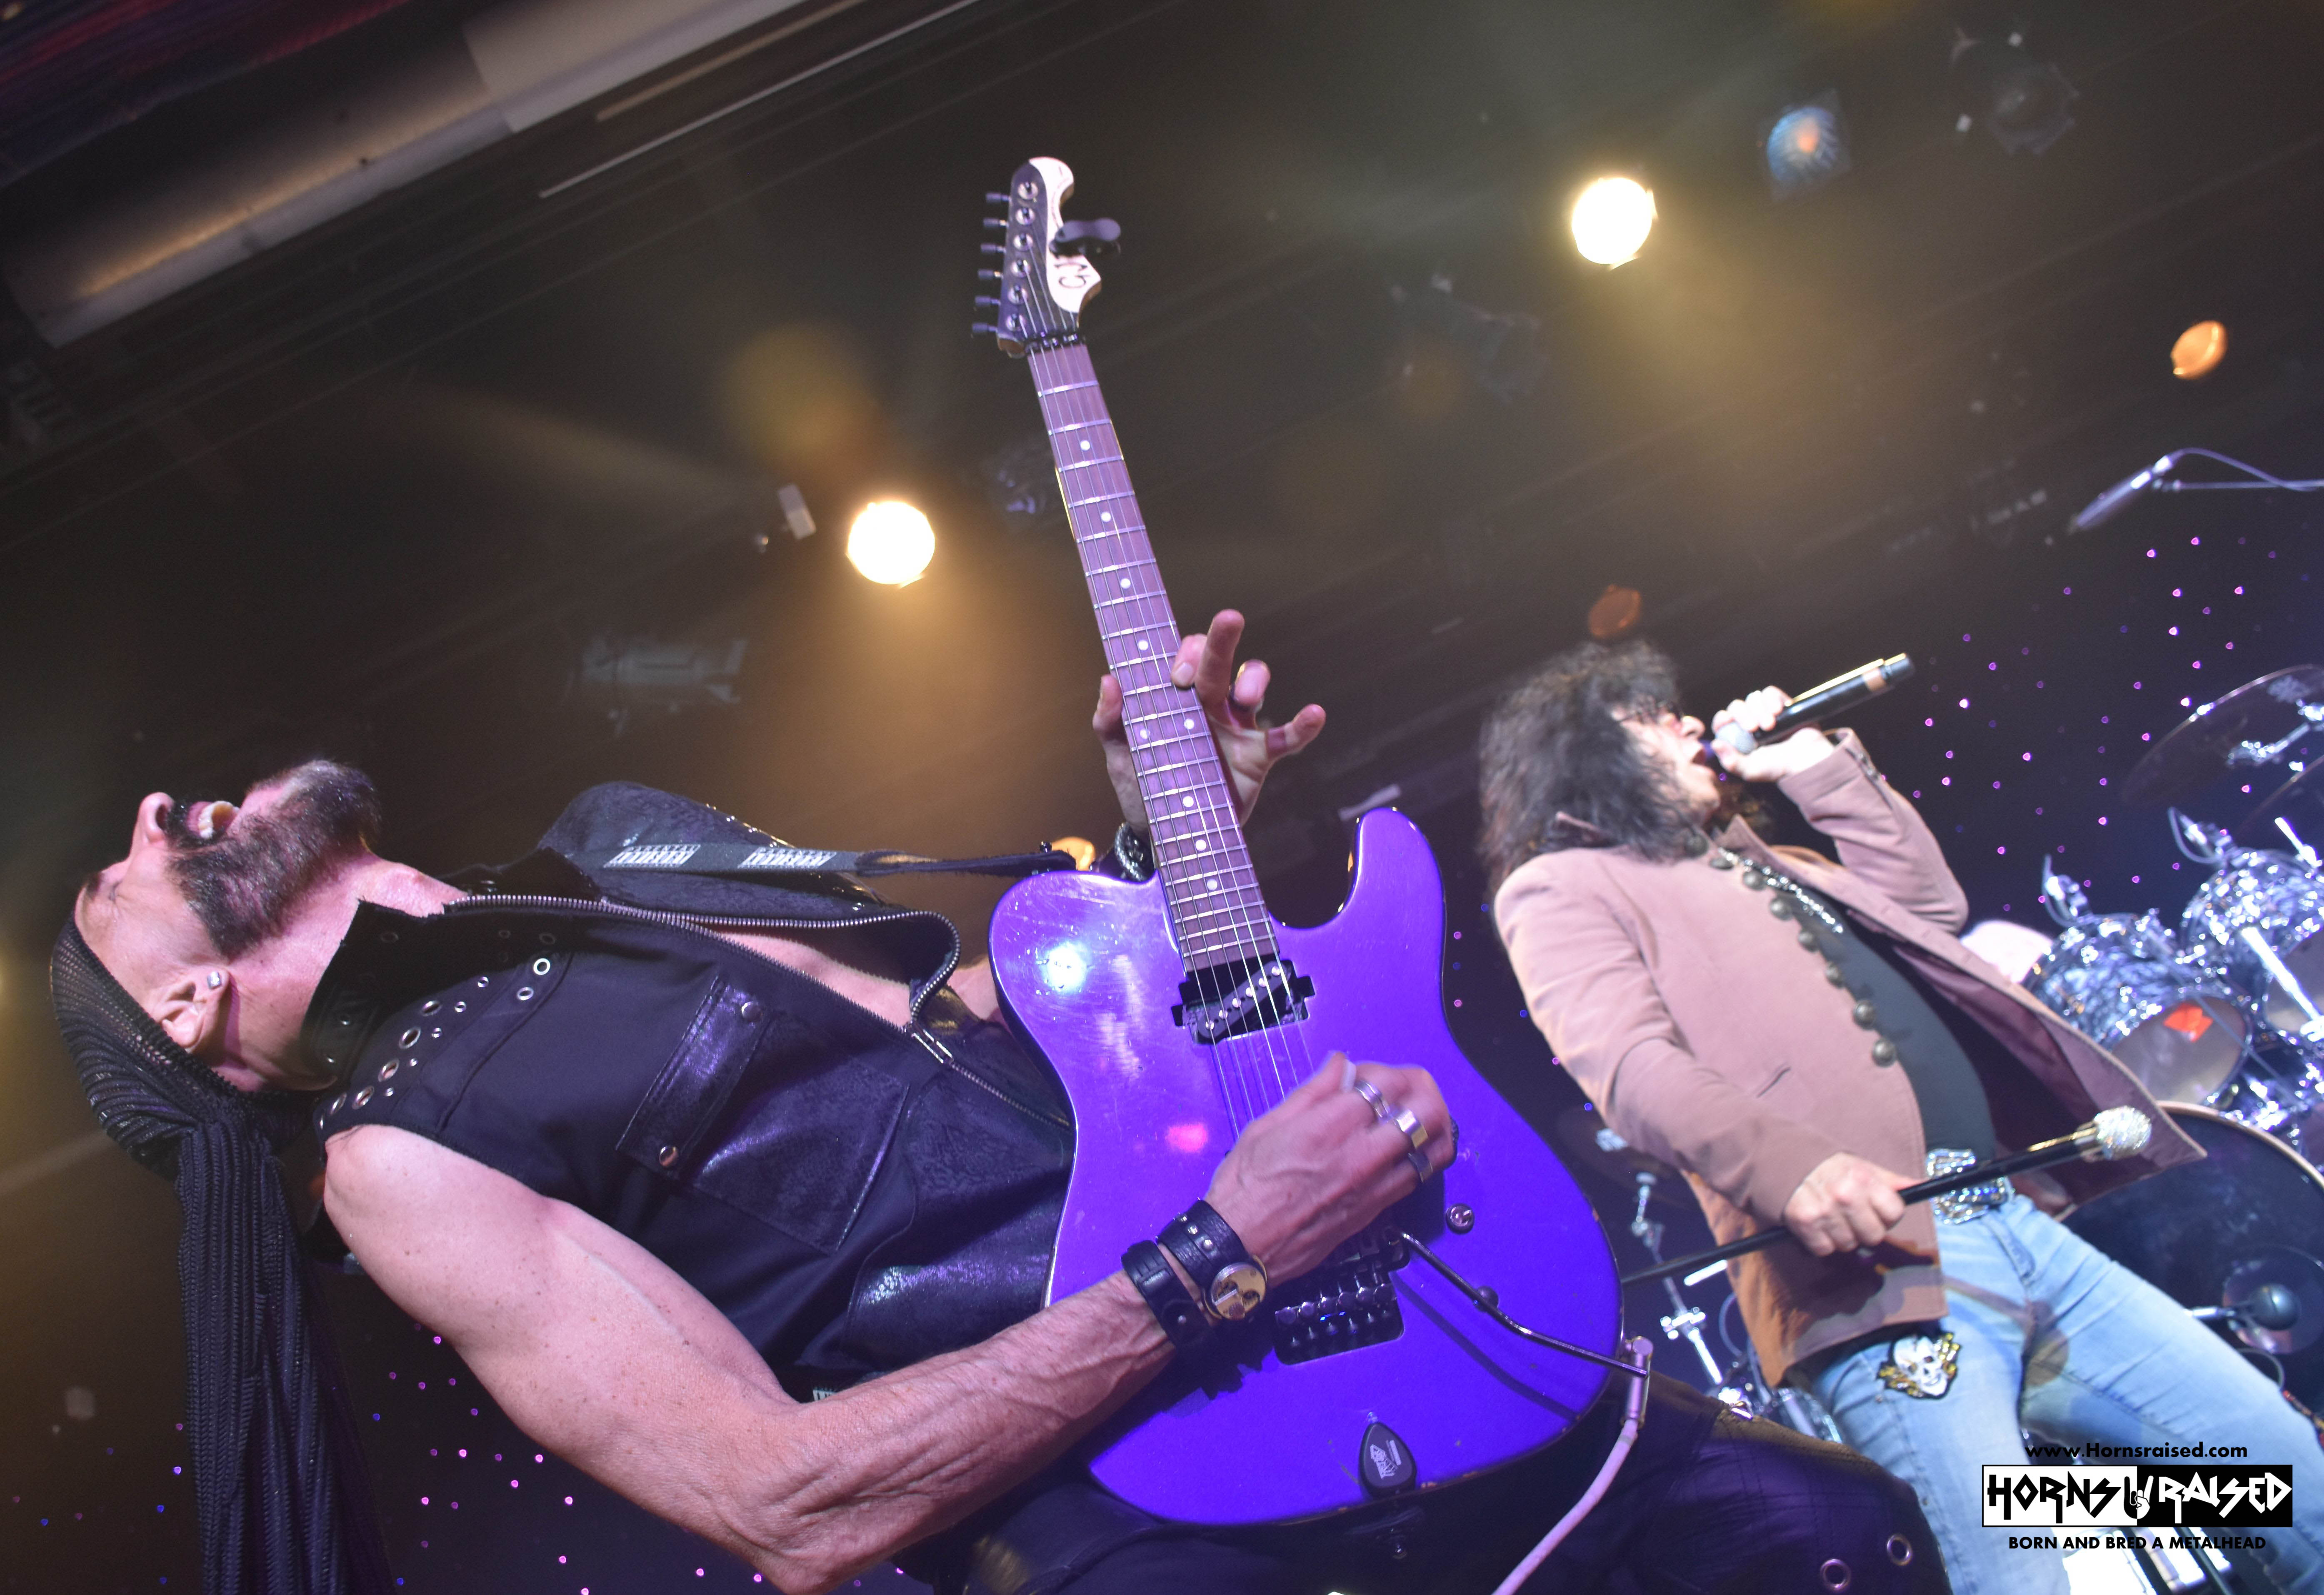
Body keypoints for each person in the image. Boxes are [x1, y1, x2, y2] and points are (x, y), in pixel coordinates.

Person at [56, 612, 1942, 1595]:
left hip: (1364, 1334)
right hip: (1125, 1514)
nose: (151, 811)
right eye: (111, 881)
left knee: (1830, 1532)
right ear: (185, 1009)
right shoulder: (397, 1157)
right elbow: (786, 1505)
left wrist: (1181, 840)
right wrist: (1221, 1249)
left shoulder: (623, 848)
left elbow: (1034, 1037)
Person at [1483, 638, 2324, 1595]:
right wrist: (1793, 1167)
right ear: (1584, 763)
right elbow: (1631, 1070)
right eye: (1647, 717)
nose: (1683, 720)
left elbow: (1930, 906)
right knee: (2013, 1576)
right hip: (1880, 1282)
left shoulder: (1771, 861)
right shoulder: (1558, 889)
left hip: (2015, 1230)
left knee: (2275, 1487)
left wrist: (1817, 767)